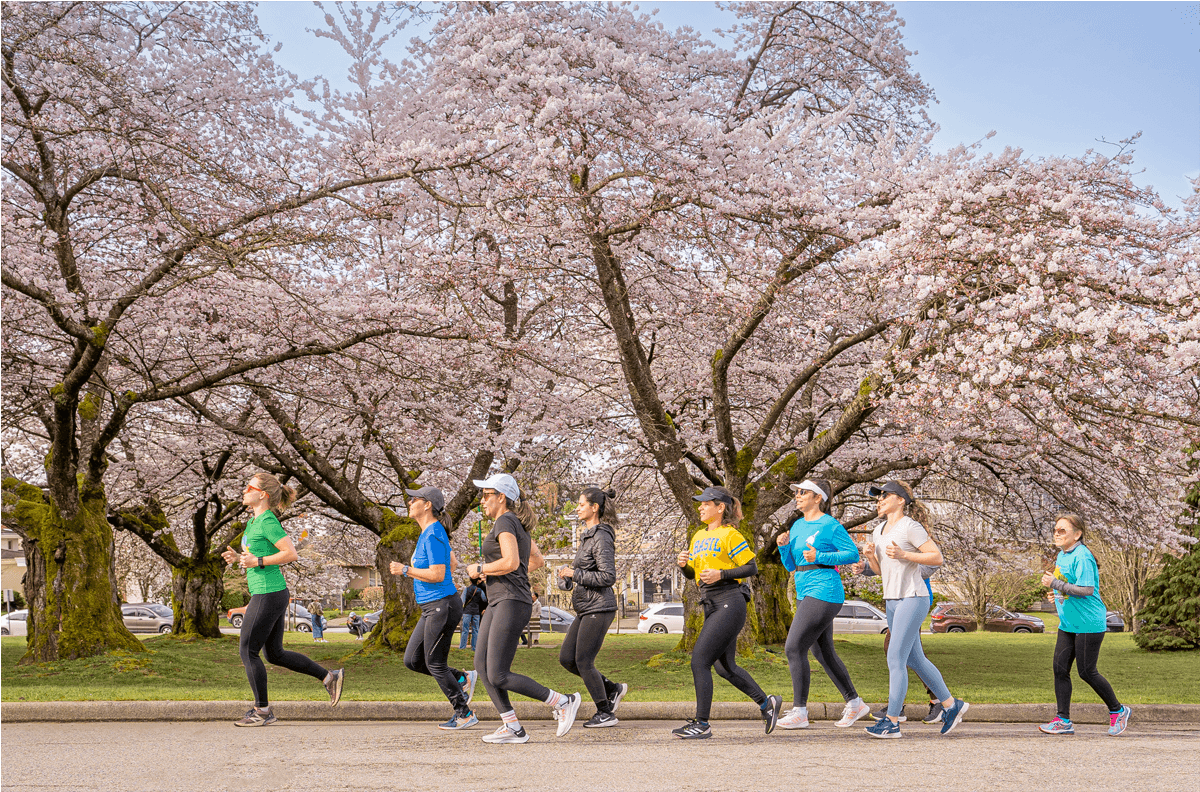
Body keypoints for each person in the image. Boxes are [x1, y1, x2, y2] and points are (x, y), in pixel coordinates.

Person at [466, 473, 581, 744]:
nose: (482, 501)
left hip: (510, 601)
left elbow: (510, 560)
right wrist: (497, 575)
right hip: (500, 598)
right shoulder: (516, 523)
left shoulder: (505, 520)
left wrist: (483, 568)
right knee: (481, 665)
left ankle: (562, 701)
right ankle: (513, 728)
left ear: (501, 498)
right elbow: (536, 560)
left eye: (486, 495)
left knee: (498, 673)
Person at [221, 472, 343, 727]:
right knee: (274, 654)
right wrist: (240, 559)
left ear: (262, 494)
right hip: (267, 592)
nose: (244, 491)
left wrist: (259, 561)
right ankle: (329, 677)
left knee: (247, 650)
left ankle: (262, 711)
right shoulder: (253, 522)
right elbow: (255, 556)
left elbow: (290, 553)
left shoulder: (268, 521)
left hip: (269, 593)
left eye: (249, 487)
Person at [673, 486, 782, 740]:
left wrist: (721, 574)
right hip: (711, 602)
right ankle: (768, 705)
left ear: (720, 507)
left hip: (730, 601)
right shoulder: (698, 535)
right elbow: (695, 575)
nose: (700, 507)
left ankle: (702, 723)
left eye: (705, 503)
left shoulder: (730, 535)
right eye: (699, 504)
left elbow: (751, 567)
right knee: (725, 667)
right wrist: (684, 567)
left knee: (700, 661)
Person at [861, 481, 968, 738]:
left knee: (895, 658)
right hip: (892, 599)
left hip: (914, 596)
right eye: (877, 497)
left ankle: (892, 721)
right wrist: (871, 558)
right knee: (914, 659)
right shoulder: (878, 531)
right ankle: (952, 706)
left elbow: (936, 557)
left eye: (884, 496)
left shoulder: (910, 526)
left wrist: (905, 555)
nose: (879, 500)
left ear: (900, 500)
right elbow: (880, 571)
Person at [774, 479, 870, 730]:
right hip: (805, 590)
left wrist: (821, 556)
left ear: (818, 498)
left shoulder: (830, 525)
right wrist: (783, 548)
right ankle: (855, 702)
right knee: (821, 651)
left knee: (793, 647)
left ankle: (800, 711)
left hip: (825, 589)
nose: (797, 496)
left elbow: (851, 554)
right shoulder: (796, 526)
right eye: (797, 492)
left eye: (803, 492)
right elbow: (793, 566)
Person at [389, 486, 478, 731]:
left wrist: (404, 570)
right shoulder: (431, 532)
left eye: (413, 499)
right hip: (432, 607)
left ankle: (464, 713)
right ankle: (462, 678)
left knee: (434, 662)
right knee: (412, 660)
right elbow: (452, 561)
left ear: (427, 504)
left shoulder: (433, 533)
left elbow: (439, 574)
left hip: (442, 605)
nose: (409, 502)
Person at [1039, 513, 1130, 736]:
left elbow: (1087, 590)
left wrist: (1055, 583)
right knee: (1060, 669)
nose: (1057, 534)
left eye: (1062, 530)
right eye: (1055, 530)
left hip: (1089, 623)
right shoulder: (1062, 555)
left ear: (1077, 534)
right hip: (1068, 623)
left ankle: (1118, 710)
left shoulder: (1083, 556)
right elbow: (1069, 587)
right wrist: (1057, 594)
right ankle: (1063, 720)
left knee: (1087, 672)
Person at [557, 486, 629, 728]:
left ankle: (605, 711)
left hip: (599, 607)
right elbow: (586, 572)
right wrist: (568, 578)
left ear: (594, 507)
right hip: (586, 607)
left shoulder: (601, 536)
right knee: (567, 658)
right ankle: (612, 688)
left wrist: (575, 574)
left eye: (580, 504)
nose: (577, 508)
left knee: (584, 660)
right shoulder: (587, 535)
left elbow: (608, 576)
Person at [460, 574, 487, 650]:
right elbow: (484, 599)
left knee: (465, 630)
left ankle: (462, 647)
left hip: (467, 612)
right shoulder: (480, 590)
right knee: (475, 630)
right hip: (476, 612)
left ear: (470, 581)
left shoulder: (466, 589)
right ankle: (474, 647)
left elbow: (462, 600)